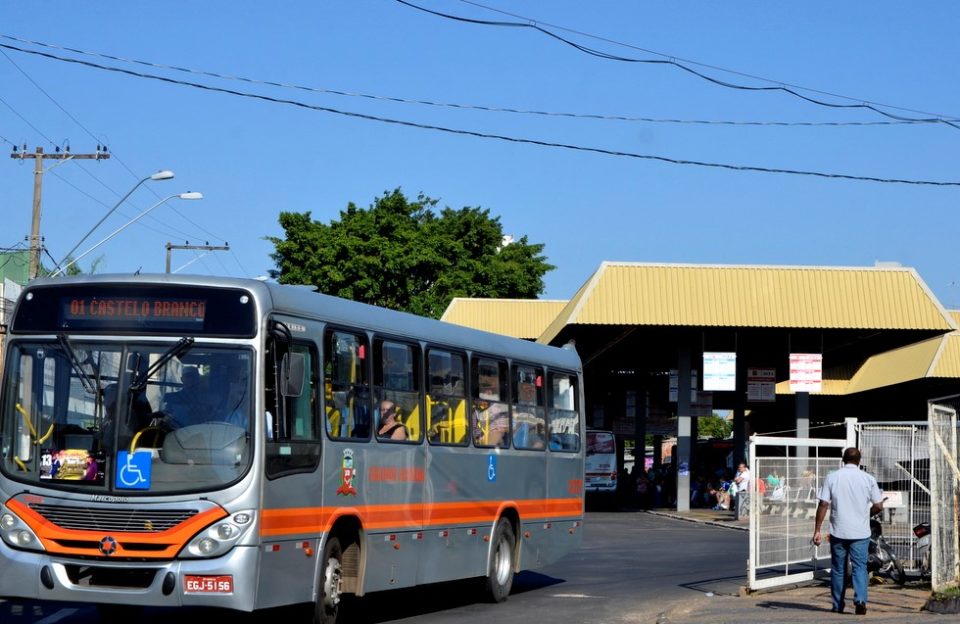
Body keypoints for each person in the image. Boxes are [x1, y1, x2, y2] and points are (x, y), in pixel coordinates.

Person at [812, 447, 884, 615]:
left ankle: (838, 604)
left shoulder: (832, 477)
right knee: (860, 567)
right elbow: (879, 505)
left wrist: (817, 530)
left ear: (843, 460)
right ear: (859, 461)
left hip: (838, 531)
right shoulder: (868, 479)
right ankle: (860, 600)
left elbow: (823, 504)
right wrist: (866, 514)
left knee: (838, 568)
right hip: (861, 532)